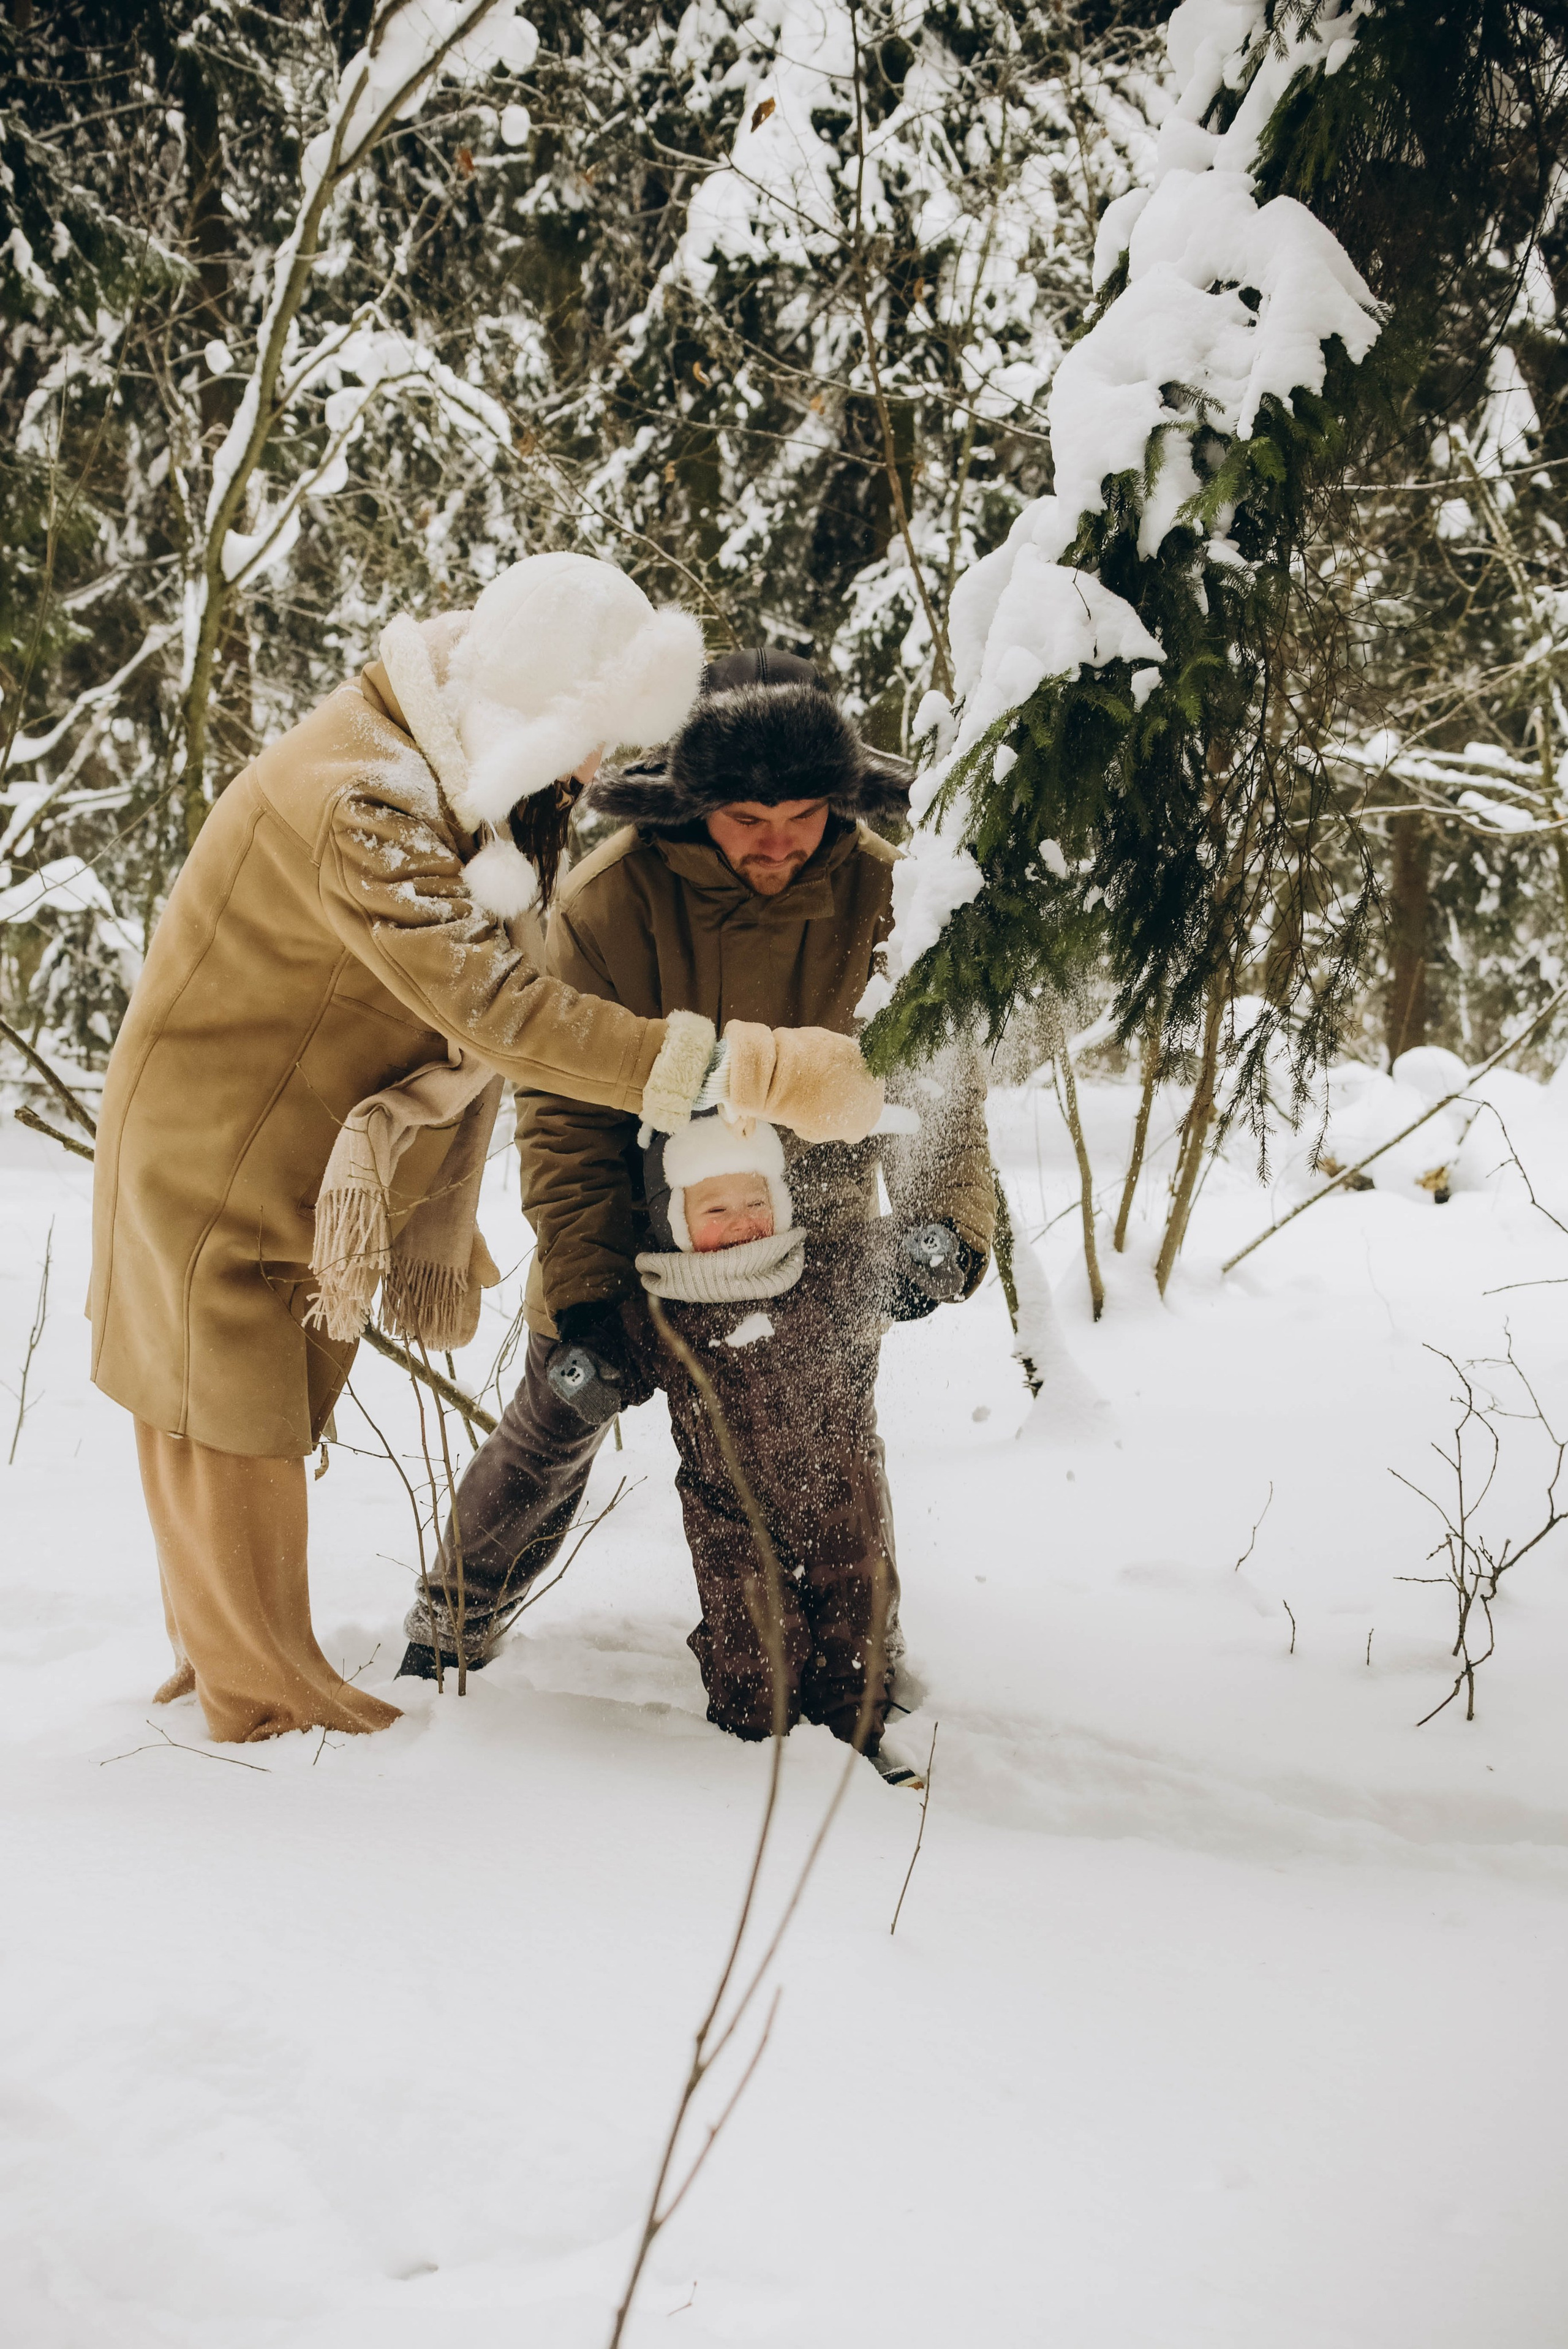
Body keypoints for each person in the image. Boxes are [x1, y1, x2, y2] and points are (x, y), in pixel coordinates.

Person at [90, 568, 886, 1745]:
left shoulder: (437, 757)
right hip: (225, 1138)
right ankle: (263, 1709)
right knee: (226, 1412)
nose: (586, 775)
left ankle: (228, 1662)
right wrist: (751, 1072)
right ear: (539, 710)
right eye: (586, 743)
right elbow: (503, 1013)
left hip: (304, 1135)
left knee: (252, 1404)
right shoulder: (361, 798)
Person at [401, 648, 995, 1758]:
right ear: (693, 804)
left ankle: (854, 1663)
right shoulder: (610, 901)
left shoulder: (883, 890)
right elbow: (565, 1117)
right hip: (637, 1224)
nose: (778, 844)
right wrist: (584, 1290)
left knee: (828, 1447)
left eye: (803, 816)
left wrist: (947, 1227)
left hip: (809, 1228)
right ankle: (455, 1618)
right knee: (556, 1421)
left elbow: (940, 1076)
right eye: (746, 820)